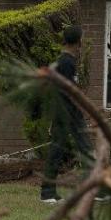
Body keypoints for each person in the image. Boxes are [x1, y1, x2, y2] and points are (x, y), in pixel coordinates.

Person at [41, 25, 94, 204]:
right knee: (74, 150)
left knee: (78, 149)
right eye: (82, 39)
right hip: (67, 114)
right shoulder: (66, 63)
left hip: (68, 113)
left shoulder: (67, 61)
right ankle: (48, 193)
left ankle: (50, 192)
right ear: (78, 41)